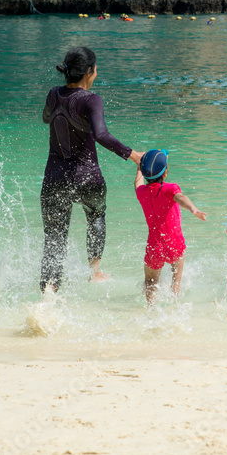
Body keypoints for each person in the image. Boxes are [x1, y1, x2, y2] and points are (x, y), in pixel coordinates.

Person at [39, 47, 143, 295]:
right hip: (87, 177)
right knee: (96, 216)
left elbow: (46, 118)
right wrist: (134, 155)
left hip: (54, 178)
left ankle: (49, 293)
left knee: (54, 237)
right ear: (89, 71)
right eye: (95, 68)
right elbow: (101, 134)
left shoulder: (53, 94)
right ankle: (95, 272)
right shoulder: (90, 99)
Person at [134, 149, 207, 305]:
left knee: (150, 282)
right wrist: (193, 208)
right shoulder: (169, 189)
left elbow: (138, 183)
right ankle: (174, 300)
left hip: (154, 246)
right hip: (174, 243)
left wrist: (139, 167)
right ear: (165, 173)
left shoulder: (141, 192)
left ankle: (151, 307)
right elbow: (181, 198)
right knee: (176, 280)